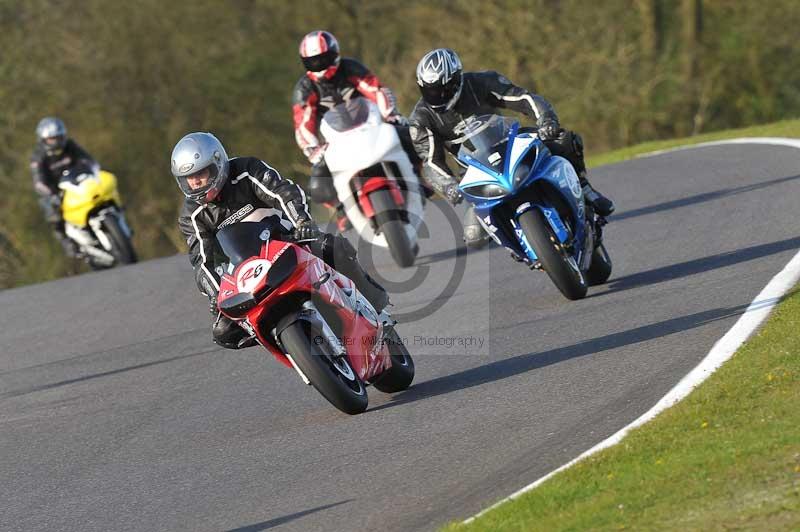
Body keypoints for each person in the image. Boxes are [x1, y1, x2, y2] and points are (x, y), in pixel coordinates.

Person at [172, 132, 389, 349]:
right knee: (224, 331)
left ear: (218, 163)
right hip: (245, 272)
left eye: (201, 173)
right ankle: (285, 342)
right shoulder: (191, 215)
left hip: (286, 241)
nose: (195, 183)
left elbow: (283, 192)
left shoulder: (247, 170)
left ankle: (377, 310)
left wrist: (302, 222)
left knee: (333, 248)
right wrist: (215, 293)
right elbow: (201, 260)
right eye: (188, 179)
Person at [408, 48, 615, 248]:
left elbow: (524, 99)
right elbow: (430, 161)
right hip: (473, 167)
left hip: (511, 141)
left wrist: (545, 120)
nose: (436, 95)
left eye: (441, 89)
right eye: (429, 90)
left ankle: (585, 187)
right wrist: (448, 185)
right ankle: (514, 243)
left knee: (563, 140)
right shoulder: (421, 119)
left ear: (456, 80)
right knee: (473, 237)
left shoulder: (482, 82)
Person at [292, 30, 420, 231]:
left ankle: (420, 177)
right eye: (313, 62)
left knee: (410, 135)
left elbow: (375, 89)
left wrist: (390, 114)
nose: (319, 66)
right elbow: (303, 120)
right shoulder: (305, 88)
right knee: (317, 186)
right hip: (335, 142)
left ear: (334, 54)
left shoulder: (350, 68)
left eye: (323, 59)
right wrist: (311, 147)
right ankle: (342, 209)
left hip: (370, 127)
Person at [30, 117, 98, 257]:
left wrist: (92, 170)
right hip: (57, 192)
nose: (56, 142)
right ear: (43, 140)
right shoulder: (38, 157)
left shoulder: (70, 146)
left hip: (79, 183)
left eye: (58, 138)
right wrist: (52, 194)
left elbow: (88, 159)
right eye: (51, 139)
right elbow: (39, 182)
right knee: (52, 213)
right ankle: (69, 243)